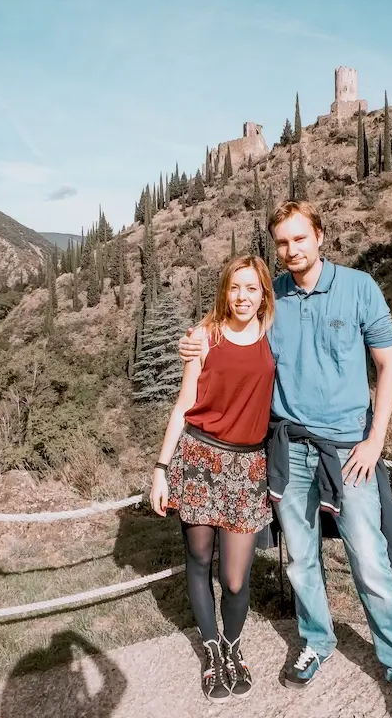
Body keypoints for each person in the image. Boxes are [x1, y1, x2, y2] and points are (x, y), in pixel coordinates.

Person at [179, 201, 392, 716]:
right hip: (289, 452)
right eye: (283, 243)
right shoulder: (274, 299)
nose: (292, 250)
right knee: (301, 560)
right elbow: (234, 324)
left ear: (319, 236)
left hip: (348, 450)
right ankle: (318, 641)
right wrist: (199, 337)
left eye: (300, 239)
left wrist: (376, 438)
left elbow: (389, 365)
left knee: (369, 559)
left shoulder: (359, 288)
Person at [150, 255, 275, 703]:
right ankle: (212, 650)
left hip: (247, 469)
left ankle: (233, 645)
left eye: (252, 289)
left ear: (264, 293)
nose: (243, 297)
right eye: (235, 288)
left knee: (236, 577)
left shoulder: (273, 335)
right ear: (225, 290)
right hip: (200, 460)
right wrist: (162, 469)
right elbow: (185, 404)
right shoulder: (205, 337)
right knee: (199, 562)